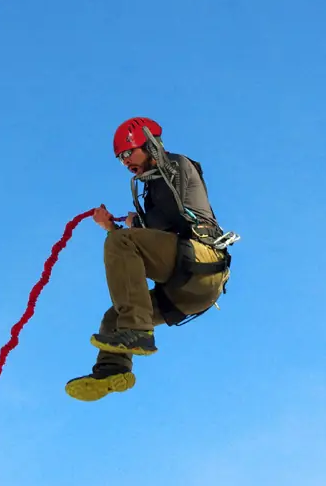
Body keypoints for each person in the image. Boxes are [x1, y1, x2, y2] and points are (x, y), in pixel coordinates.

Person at [64, 117, 240, 402]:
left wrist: (133, 227)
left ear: (149, 145)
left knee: (122, 243)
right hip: (188, 290)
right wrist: (114, 227)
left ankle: (136, 330)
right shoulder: (152, 191)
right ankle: (112, 370)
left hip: (201, 260)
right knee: (114, 317)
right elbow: (151, 242)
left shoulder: (176, 167)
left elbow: (171, 221)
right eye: (120, 158)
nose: (125, 161)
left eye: (128, 152)